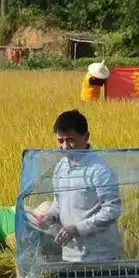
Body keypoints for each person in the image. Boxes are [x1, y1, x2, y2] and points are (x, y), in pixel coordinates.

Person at [34, 109, 123, 263]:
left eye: (71, 140)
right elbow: (58, 201)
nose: (65, 146)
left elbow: (112, 210)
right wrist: (49, 217)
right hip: (70, 253)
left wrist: (77, 228)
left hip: (99, 255)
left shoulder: (99, 169)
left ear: (86, 136)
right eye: (60, 141)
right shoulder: (60, 167)